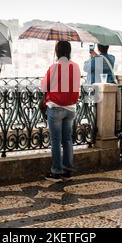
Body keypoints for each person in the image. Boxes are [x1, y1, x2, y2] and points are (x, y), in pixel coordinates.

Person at [41, 41, 81, 182]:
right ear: (69, 51)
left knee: (56, 141)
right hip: (71, 108)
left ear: (57, 52)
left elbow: (44, 86)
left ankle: (56, 171)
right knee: (67, 139)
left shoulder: (54, 67)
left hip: (56, 107)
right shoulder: (76, 67)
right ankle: (68, 170)